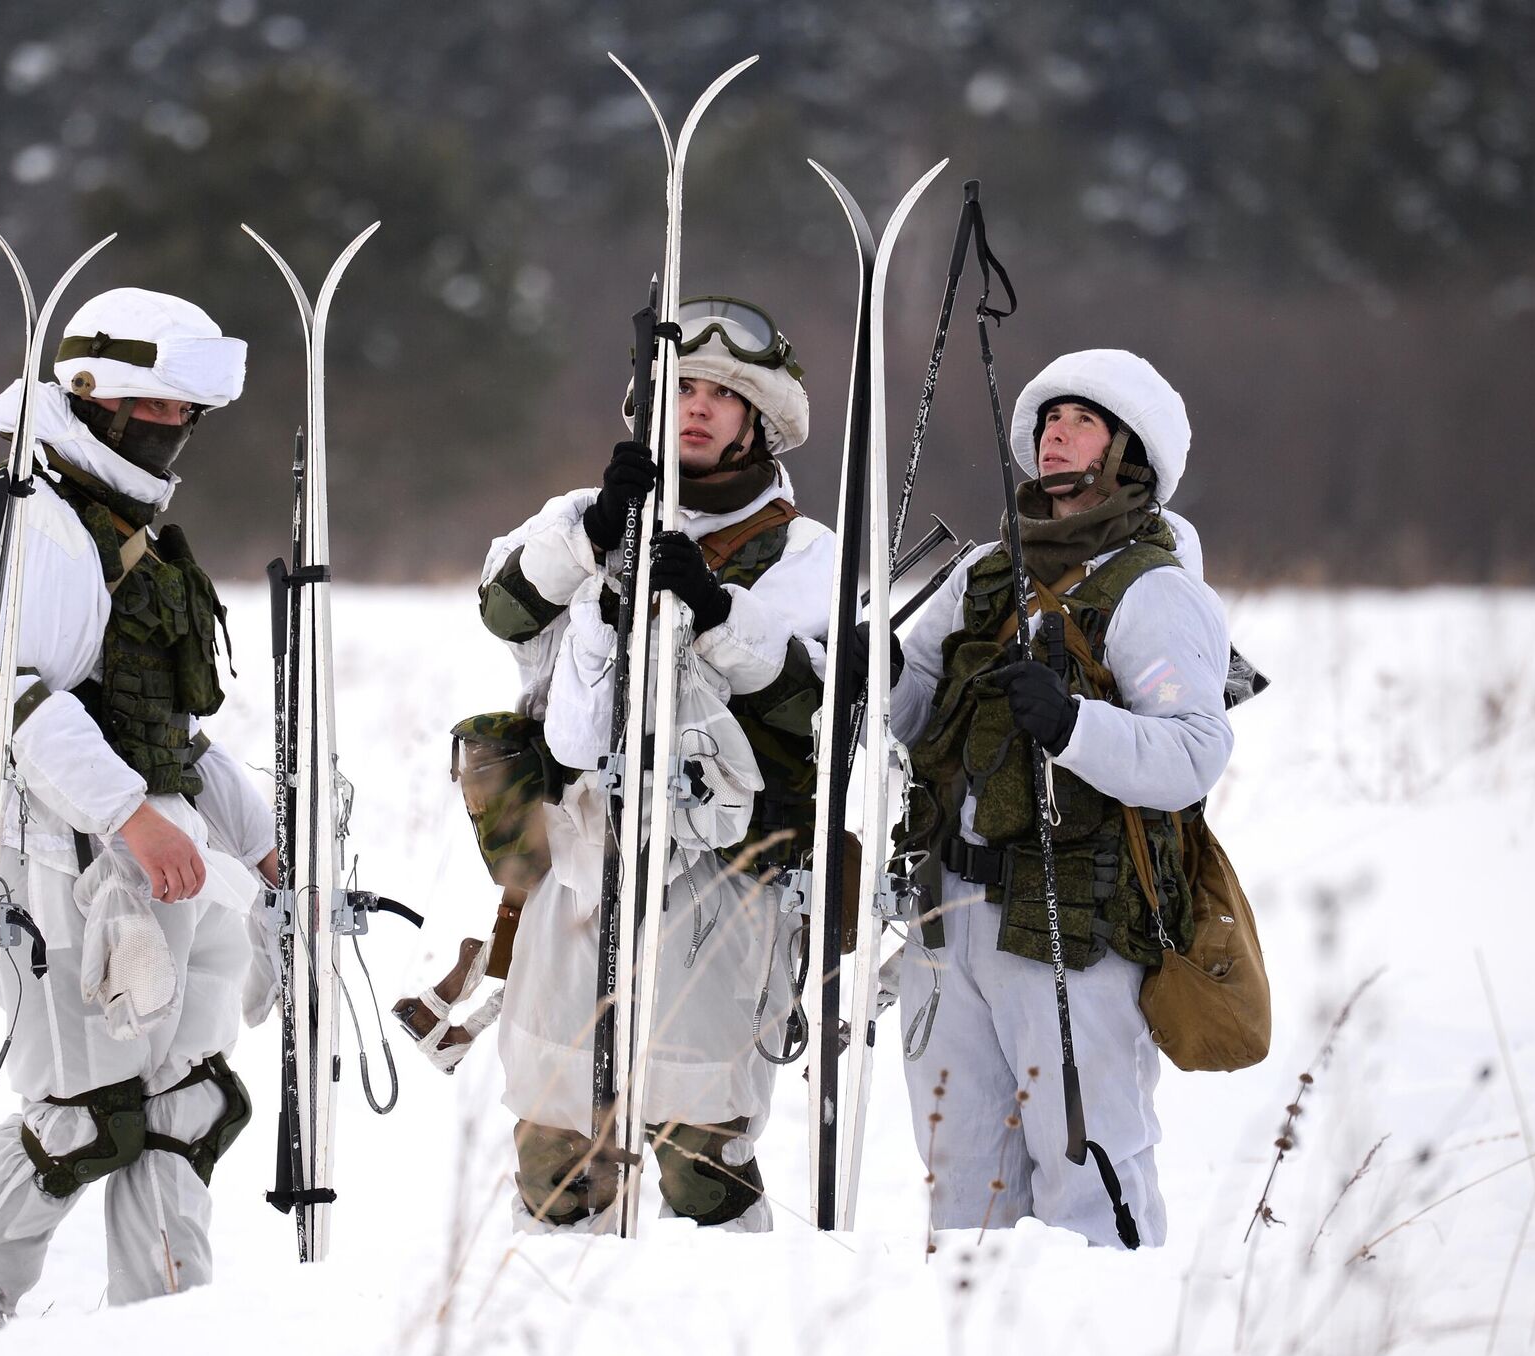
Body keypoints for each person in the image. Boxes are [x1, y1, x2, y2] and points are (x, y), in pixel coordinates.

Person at [0, 288, 281, 1329]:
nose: (173, 430)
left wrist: (258, 837)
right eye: (155, 407)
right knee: (84, 1118)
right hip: (53, 859)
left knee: (180, 1107)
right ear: (92, 394)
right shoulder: (30, 521)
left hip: (152, 854)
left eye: (183, 412)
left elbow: (162, 725)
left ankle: (164, 1333)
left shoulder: (120, 522)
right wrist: (130, 814)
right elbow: (10, 703)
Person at [472, 297, 834, 1232]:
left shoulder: (804, 553)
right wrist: (596, 531)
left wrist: (717, 614)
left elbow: (821, 703)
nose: (699, 406)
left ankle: (716, 1326)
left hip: (723, 870)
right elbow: (505, 613)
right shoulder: (580, 514)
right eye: (682, 388)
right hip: (580, 858)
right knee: (556, 1149)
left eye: (723, 393)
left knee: (699, 1155)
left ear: (758, 420)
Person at [887, 348, 1232, 1248]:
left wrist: (1075, 726)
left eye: (1080, 421)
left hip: (1071, 924)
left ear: (1130, 453)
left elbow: (1195, 753)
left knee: (1089, 1183)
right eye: (1047, 420)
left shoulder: (1154, 591)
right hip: (949, 911)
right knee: (963, 1188)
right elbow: (914, 700)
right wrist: (869, 675)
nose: (1053, 434)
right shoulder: (986, 571)